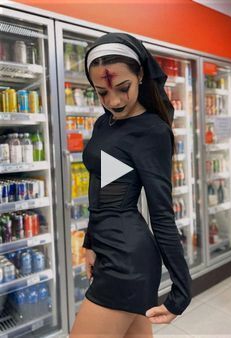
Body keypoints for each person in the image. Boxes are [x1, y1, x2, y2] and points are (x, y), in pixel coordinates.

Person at [70, 32, 192, 338]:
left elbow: (161, 213)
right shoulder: (104, 123)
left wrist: (181, 290)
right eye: (101, 93)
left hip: (127, 259)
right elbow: (103, 189)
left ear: (140, 74)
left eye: (123, 88)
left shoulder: (152, 131)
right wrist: (90, 243)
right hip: (110, 249)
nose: (114, 101)